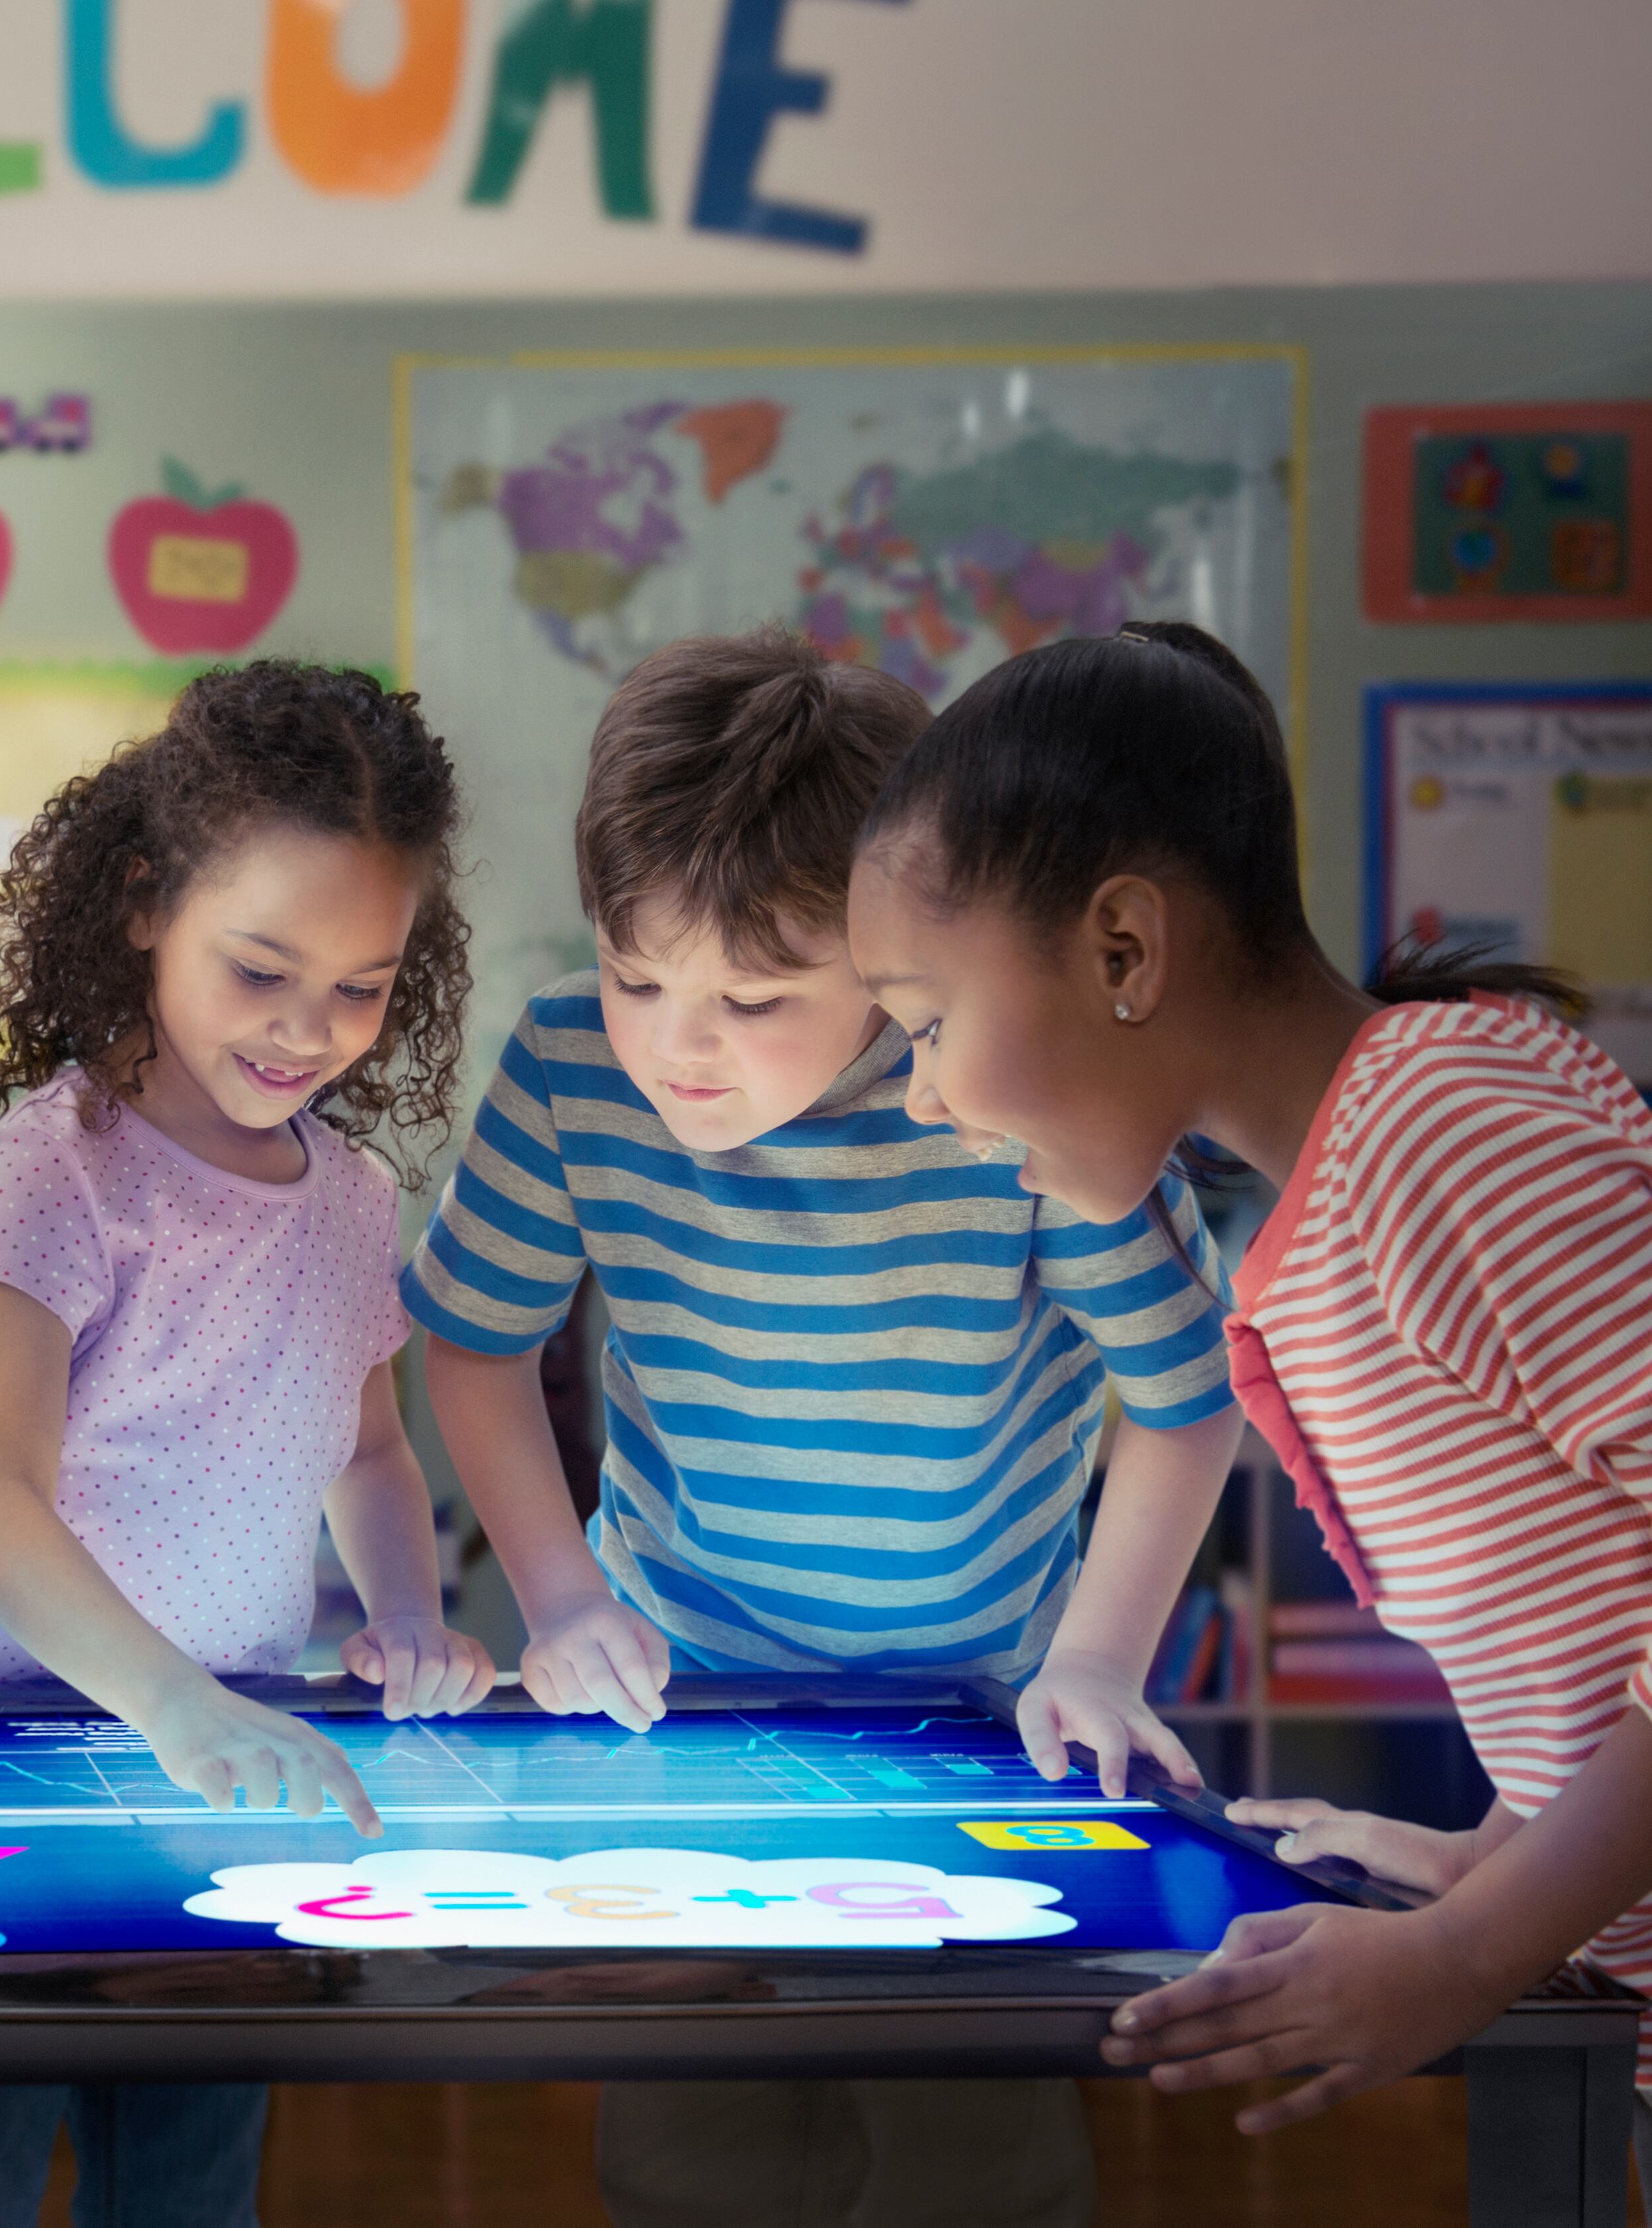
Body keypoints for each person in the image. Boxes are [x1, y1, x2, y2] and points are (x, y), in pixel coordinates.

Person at [847, 619, 1652, 2227]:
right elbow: (1611, 1602)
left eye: (924, 1021)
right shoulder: (1334, 1196)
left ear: (1122, 948)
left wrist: (1465, 1957)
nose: (920, 1093)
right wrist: (1499, 1855)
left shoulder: (1447, 1130)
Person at [404, 626, 1244, 2228]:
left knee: (973, 2169)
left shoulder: (1005, 1086)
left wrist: (1096, 1660)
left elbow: (1185, 1400)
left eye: (757, 997)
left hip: (975, 1730)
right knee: (689, 2159)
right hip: (683, 1724)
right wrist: (561, 1602)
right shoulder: (569, 1066)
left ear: (891, 944)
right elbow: (473, 1342)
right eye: (635, 972)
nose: (676, 1044)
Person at [0, 662, 497, 2228]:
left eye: (360, 984)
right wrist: (168, 1702)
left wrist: (407, 1613)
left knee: (190, 2186)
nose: (308, 1029)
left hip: (228, 1757)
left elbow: (371, 1459)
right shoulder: (49, 1169)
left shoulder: (348, 1202)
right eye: (261, 969)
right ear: (143, 903)